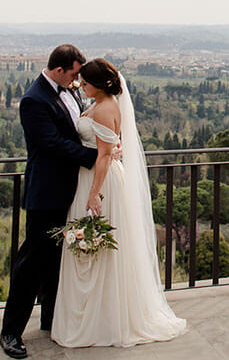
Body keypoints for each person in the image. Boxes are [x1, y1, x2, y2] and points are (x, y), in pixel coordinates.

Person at [50, 58, 187, 347]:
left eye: (85, 83)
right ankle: (100, 317)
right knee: (96, 249)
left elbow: (102, 155)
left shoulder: (103, 108)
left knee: (96, 247)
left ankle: (99, 321)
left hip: (99, 181)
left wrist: (93, 194)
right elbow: (111, 145)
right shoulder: (106, 103)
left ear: (98, 84)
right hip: (99, 176)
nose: (81, 86)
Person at [0, 45, 99, 359]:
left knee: (57, 259)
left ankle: (50, 319)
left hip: (71, 189)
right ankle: (11, 332)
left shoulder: (69, 91)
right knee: (31, 263)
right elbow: (51, 143)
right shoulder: (33, 100)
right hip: (46, 191)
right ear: (59, 70)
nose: (77, 80)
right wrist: (94, 158)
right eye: (73, 73)